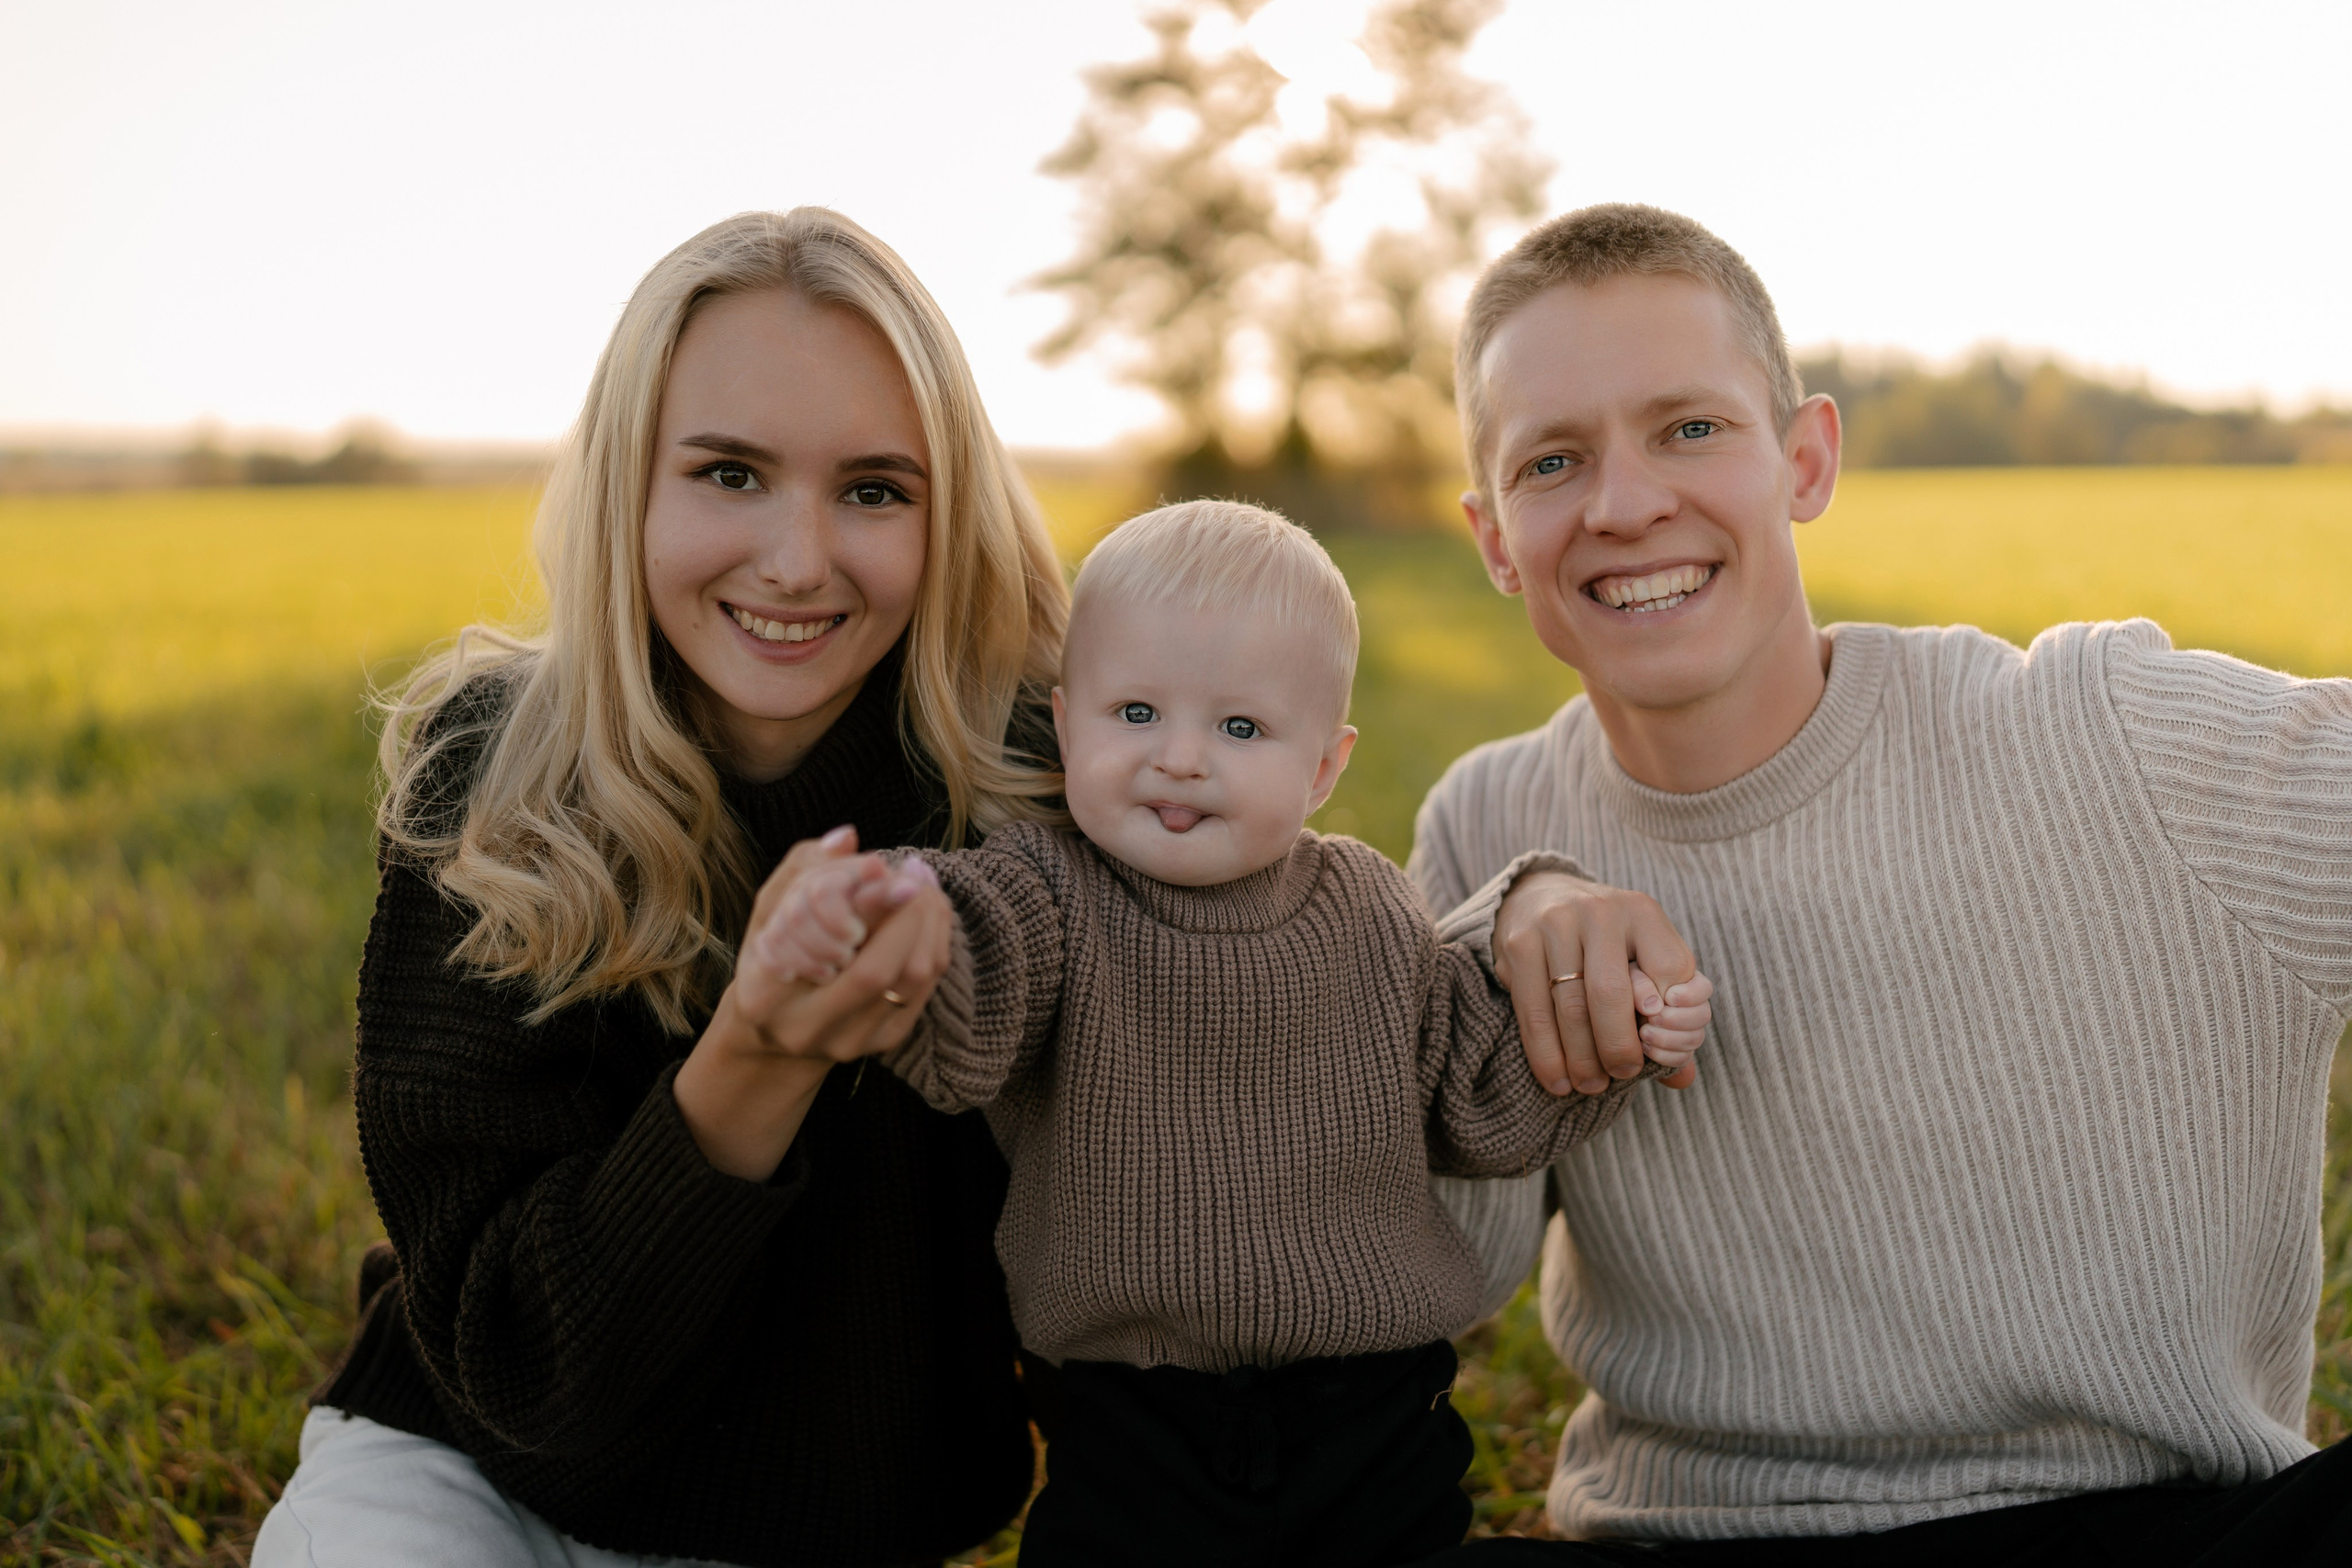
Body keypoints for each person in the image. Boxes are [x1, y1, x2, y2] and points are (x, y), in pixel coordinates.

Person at [1408, 204, 2352, 1564]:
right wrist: (1491, 933)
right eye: (1554, 460)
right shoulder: (1488, 822)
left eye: (1689, 428)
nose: (1624, 504)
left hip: (2156, 1520)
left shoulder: (2106, 732)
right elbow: (1419, 1278)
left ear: (1805, 458)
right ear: (1496, 537)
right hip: (1694, 1534)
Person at [253, 208, 1074, 1567]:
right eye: (730, 473)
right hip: (471, 1461)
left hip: (829, 1519)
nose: (799, 557)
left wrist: (1517, 904)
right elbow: (524, 1366)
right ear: (629, 483)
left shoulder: (1032, 786)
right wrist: (756, 1053)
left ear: (948, 516)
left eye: (874, 489)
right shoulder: (498, 782)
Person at [762, 500, 1715, 1568]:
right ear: (1066, 720)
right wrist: (885, 914)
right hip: (1129, 1410)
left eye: (1240, 729)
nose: (1178, 759)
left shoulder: (1368, 910)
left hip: (1371, 1400)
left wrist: (1618, 1028)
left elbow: (1476, 1088)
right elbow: (969, 966)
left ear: (1322, 768)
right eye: (1134, 714)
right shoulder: (1048, 892)